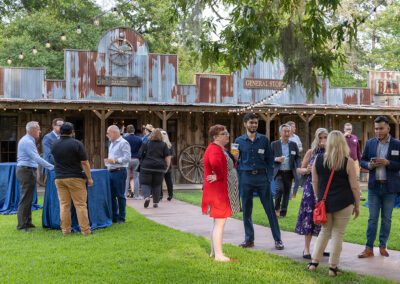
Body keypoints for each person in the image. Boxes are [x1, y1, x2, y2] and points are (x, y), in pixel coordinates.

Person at [308, 130, 360, 276]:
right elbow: (354, 187)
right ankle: (332, 268)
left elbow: (315, 181)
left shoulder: (318, 159)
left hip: (326, 203)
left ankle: (314, 263)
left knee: (324, 232)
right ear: (343, 143)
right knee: (338, 234)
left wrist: (320, 199)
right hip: (345, 202)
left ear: (329, 142)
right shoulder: (348, 162)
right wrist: (357, 205)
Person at [234, 113, 284, 250]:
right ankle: (249, 239)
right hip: (246, 178)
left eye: (255, 123)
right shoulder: (238, 141)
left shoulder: (264, 140)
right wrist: (237, 164)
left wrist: (268, 177)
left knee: (270, 210)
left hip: (262, 179)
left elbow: (269, 159)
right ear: (245, 124)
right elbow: (235, 161)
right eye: (251, 122)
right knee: (247, 211)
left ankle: (278, 239)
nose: (254, 125)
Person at [358, 116, 400, 258]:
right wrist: (369, 165)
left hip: (390, 189)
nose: (378, 131)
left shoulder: (397, 144)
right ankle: (368, 248)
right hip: (374, 188)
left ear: (388, 128)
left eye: (381, 128)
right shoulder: (370, 143)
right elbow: (362, 161)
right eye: (376, 128)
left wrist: (388, 163)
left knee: (387, 218)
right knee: (372, 218)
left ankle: (383, 246)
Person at [202, 125, 240, 261]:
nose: (227, 135)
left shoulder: (220, 149)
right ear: (215, 137)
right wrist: (217, 176)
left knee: (217, 223)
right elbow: (216, 165)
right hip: (219, 192)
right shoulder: (214, 149)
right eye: (224, 133)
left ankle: (214, 251)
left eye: (227, 132)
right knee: (220, 223)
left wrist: (234, 158)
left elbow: (227, 166)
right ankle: (219, 255)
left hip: (220, 190)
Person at [51, 122, 93, 235]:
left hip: (59, 177)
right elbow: (84, 162)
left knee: (64, 205)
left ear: (60, 132)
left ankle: (65, 230)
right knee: (80, 204)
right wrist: (89, 178)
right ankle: (85, 230)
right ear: (72, 132)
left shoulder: (54, 144)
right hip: (75, 177)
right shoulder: (77, 144)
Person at [295, 128, 328, 259]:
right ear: (316, 138)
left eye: (325, 137)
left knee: (325, 218)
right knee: (309, 217)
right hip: (310, 188)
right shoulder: (311, 152)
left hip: (325, 188)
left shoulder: (331, 152)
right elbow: (299, 169)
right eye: (320, 137)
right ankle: (307, 249)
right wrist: (306, 169)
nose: (323, 140)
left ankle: (321, 248)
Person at [16, 121, 54, 231]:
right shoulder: (27, 141)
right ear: (32, 130)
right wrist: (51, 167)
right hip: (25, 171)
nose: (40, 131)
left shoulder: (29, 140)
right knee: (25, 198)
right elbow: (36, 157)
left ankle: (27, 222)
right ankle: (22, 225)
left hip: (28, 170)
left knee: (29, 198)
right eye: (38, 129)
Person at [272, 124, 301, 217]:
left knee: (287, 192)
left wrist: (298, 167)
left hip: (289, 172)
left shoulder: (293, 144)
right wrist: (277, 159)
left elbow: (297, 157)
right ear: (280, 132)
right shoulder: (274, 144)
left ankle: (283, 212)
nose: (287, 133)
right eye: (285, 131)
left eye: (288, 131)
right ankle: (276, 208)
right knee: (279, 189)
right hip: (279, 172)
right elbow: (268, 157)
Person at [138, 128, 171, 208]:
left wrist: (142, 163)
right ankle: (155, 202)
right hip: (159, 168)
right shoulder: (163, 145)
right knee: (157, 184)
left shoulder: (146, 143)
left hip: (146, 167)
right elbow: (167, 156)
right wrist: (167, 166)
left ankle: (147, 197)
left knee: (145, 183)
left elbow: (140, 155)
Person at [105, 125, 131, 224]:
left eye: (108, 133)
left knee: (120, 195)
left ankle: (121, 217)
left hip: (119, 171)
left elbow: (127, 158)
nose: (107, 135)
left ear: (115, 132)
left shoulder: (123, 143)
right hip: (111, 171)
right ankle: (114, 216)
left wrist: (114, 161)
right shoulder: (111, 143)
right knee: (111, 195)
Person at [343, 122, 365, 201]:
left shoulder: (355, 138)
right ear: (344, 129)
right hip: (344, 162)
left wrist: (360, 162)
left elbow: (358, 151)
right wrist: (343, 136)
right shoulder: (341, 138)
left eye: (350, 129)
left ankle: (358, 195)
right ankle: (346, 195)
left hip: (355, 161)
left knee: (356, 178)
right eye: (347, 129)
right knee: (345, 178)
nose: (349, 130)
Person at [124, 125, 143, 199]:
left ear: (127, 131)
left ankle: (125, 195)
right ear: (134, 130)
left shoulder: (125, 139)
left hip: (127, 159)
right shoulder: (139, 139)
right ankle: (137, 195)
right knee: (136, 178)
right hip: (136, 159)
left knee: (126, 178)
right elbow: (141, 150)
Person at [287, 121, 303, 198]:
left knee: (298, 177)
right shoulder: (284, 137)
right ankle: (289, 194)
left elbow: (301, 147)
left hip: (297, 159)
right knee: (289, 177)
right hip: (289, 159)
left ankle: (294, 193)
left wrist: (298, 149)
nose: (295, 128)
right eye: (294, 126)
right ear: (289, 127)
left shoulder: (296, 137)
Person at [161, 130, 175, 201]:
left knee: (164, 180)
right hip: (168, 164)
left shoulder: (170, 145)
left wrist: (167, 157)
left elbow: (173, 154)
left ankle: (163, 195)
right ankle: (170, 195)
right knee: (168, 180)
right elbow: (172, 155)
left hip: (163, 164)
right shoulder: (169, 145)